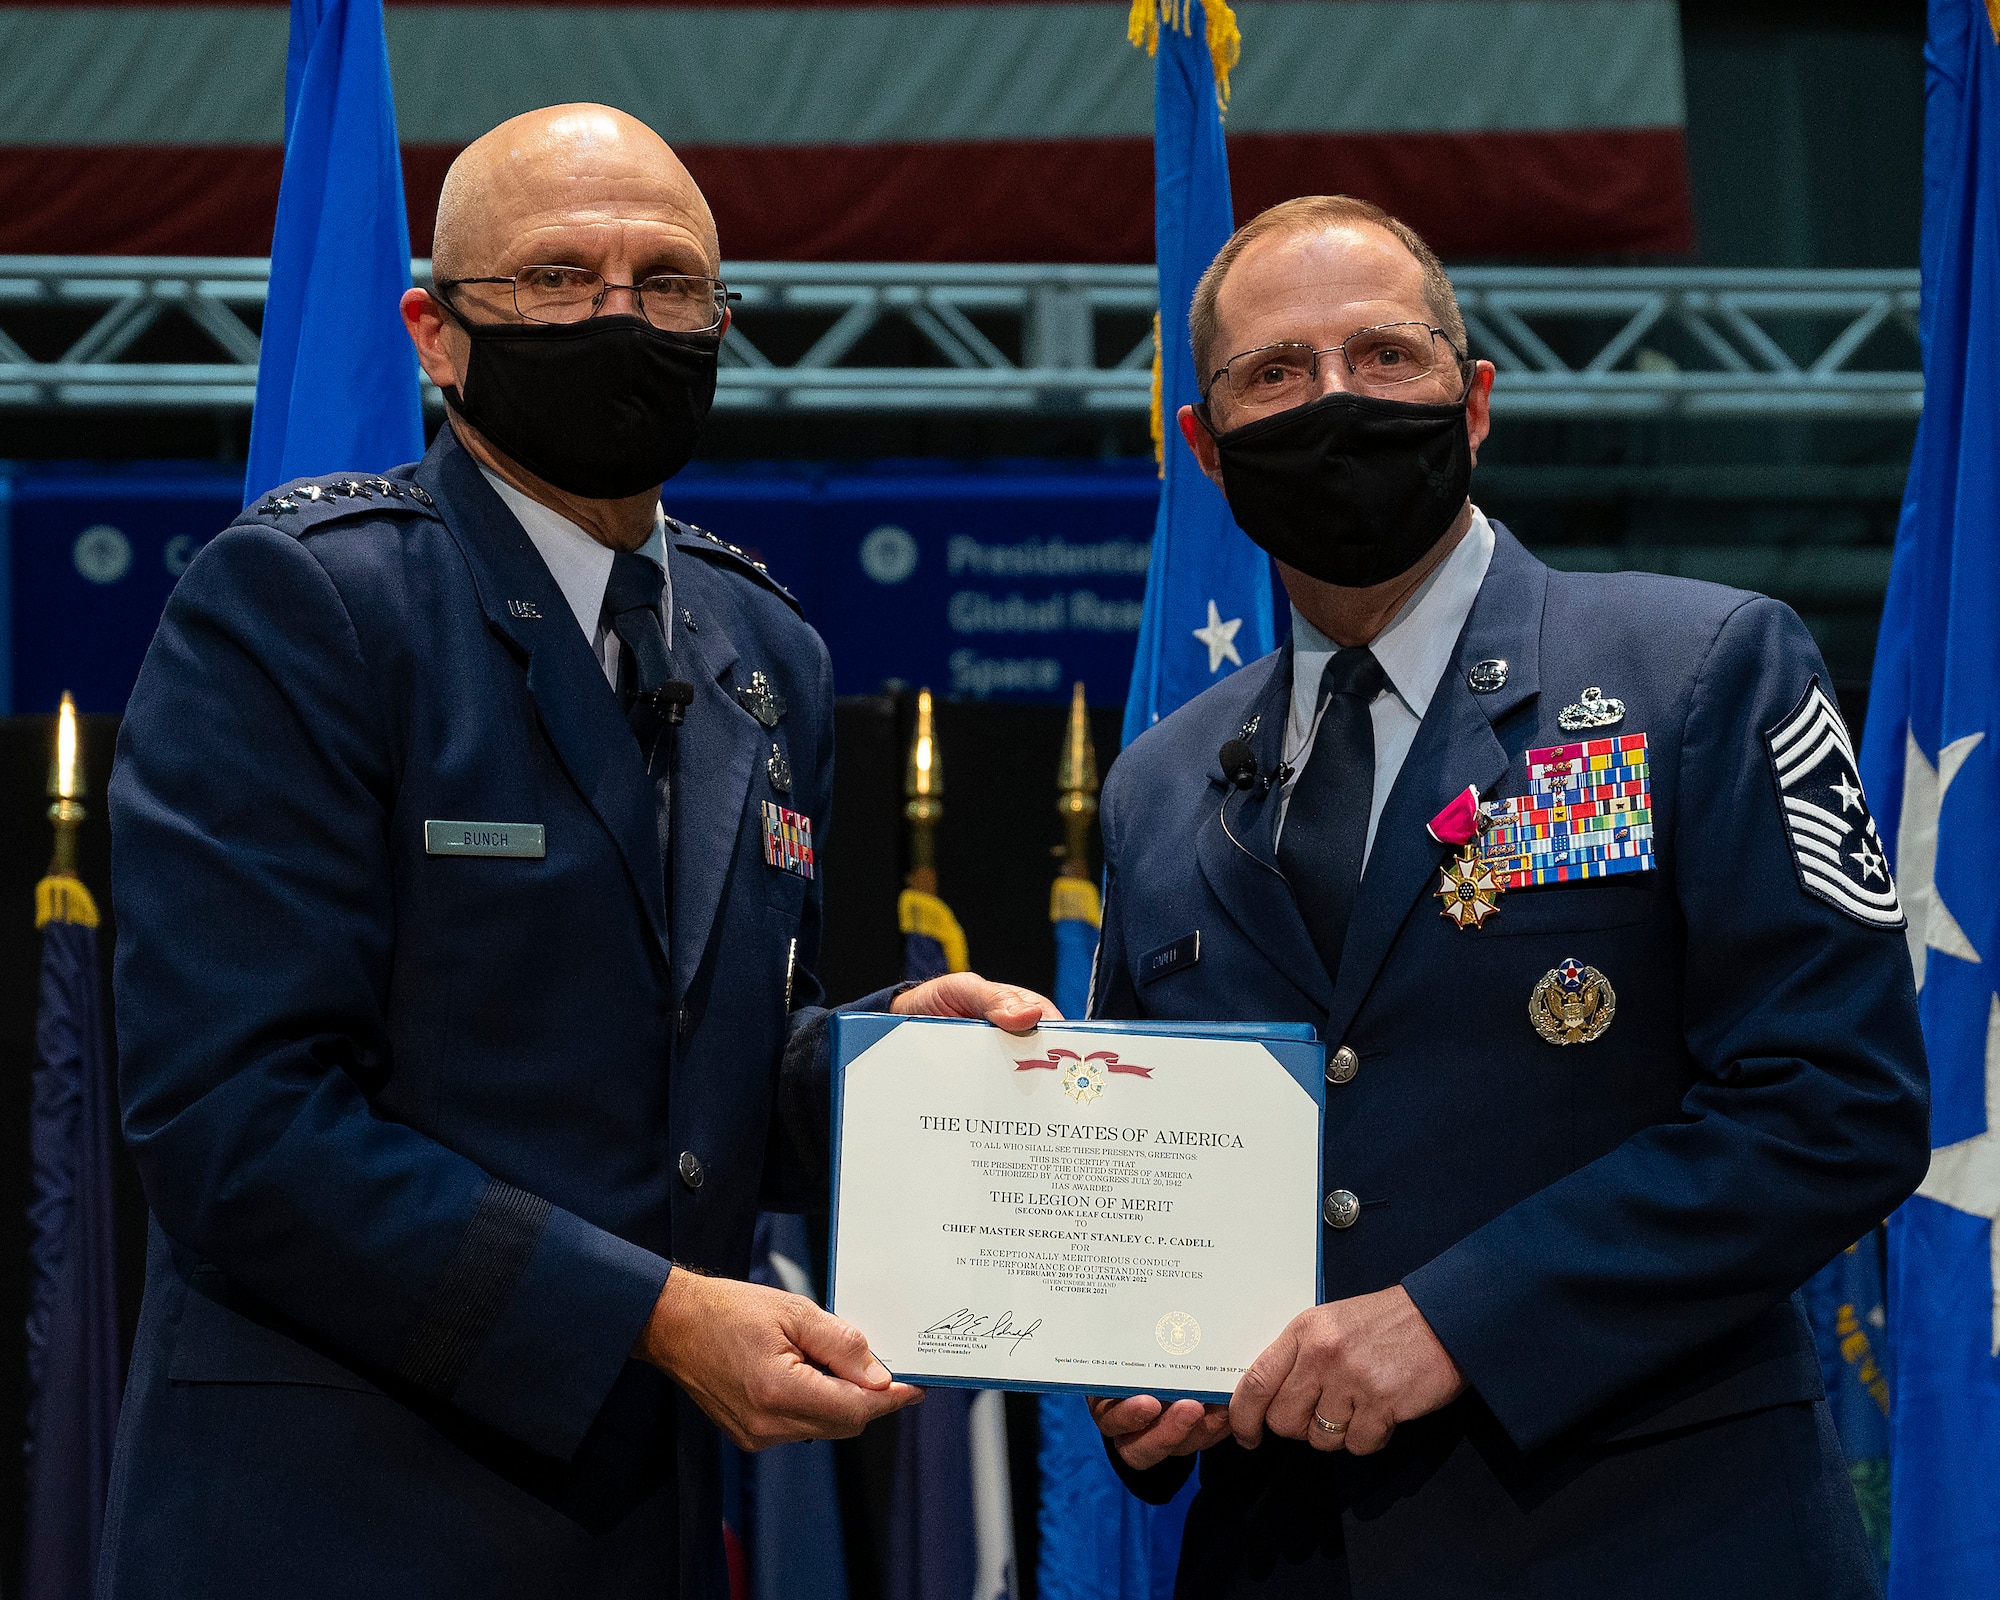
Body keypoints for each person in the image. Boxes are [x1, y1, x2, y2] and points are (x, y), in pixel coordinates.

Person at [100, 104, 1053, 1600]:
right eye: (558, 278)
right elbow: (235, 1117)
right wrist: (655, 1318)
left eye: (670, 283)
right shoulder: (307, 608)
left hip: (641, 1527)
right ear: (437, 333)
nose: (624, 318)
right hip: (332, 1522)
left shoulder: (766, 647)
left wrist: (872, 1075)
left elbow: (674, 1071)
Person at [1085, 195, 1929, 1596]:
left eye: (1384, 358)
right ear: (1206, 449)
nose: (1336, 400)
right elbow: (1157, 1183)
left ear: (1474, 403)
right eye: (1275, 374)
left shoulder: (1703, 669)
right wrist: (1137, 1366)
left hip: (1656, 1541)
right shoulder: (1162, 787)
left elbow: (1836, 1103)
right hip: (1288, 1553)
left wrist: (1454, 1321)